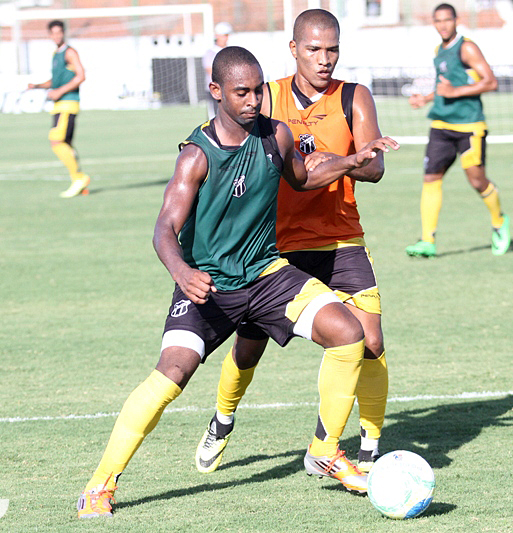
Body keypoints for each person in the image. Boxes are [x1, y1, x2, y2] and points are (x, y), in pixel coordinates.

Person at [75, 46, 398, 518]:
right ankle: (100, 485)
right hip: (210, 285)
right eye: (241, 92)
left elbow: (304, 176)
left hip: (267, 274)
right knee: (172, 376)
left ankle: (325, 451)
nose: (252, 100)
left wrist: (352, 161)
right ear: (216, 92)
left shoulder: (276, 136)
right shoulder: (196, 156)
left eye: (258, 90)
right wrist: (183, 272)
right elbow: (164, 228)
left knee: (349, 333)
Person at [193, 8, 392, 478]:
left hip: (341, 236)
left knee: (371, 341)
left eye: (333, 50)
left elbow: (375, 168)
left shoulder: (354, 98)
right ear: (294, 49)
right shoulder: (269, 98)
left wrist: (336, 160)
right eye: (314, 50)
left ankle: (367, 447)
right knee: (249, 346)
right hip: (274, 244)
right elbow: (232, 154)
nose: (325, 60)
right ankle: (222, 420)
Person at [405, 3, 510, 259]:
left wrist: (455, 93)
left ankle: (499, 221)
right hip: (441, 125)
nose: (442, 25)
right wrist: (427, 99)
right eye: (438, 21)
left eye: (447, 20)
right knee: (431, 178)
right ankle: (427, 240)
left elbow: (491, 81)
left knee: (477, 181)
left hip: (470, 127)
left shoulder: (467, 47)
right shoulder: (438, 50)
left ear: (456, 21)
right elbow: (446, 85)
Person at [28, 20, 90, 198]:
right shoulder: (56, 54)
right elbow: (55, 82)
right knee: (66, 144)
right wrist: (38, 86)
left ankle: (79, 178)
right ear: (49, 35)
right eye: (53, 33)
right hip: (59, 105)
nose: (57, 36)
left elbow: (81, 76)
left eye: (59, 32)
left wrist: (60, 92)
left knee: (56, 141)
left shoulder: (69, 52)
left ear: (64, 33)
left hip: (67, 104)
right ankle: (80, 185)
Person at [202, 21, 232, 119]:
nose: (226, 38)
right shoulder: (210, 53)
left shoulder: (229, 51)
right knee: (214, 117)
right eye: (224, 35)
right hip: (215, 90)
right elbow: (210, 71)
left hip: (228, 89)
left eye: (227, 35)